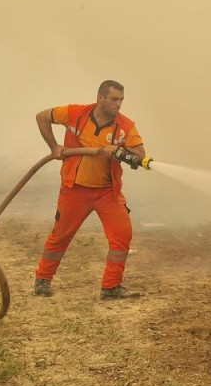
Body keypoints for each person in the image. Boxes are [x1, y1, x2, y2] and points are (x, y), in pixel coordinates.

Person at [33, 80, 148, 300]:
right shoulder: (75, 113)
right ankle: (43, 280)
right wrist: (54, 147)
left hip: (108, 192)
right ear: (100, 97)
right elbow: (41, 116)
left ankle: (111, 286)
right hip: (75, 189)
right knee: (60, 236)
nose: (119, 104)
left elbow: (141, 155)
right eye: (114, 99)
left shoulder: (125, 126)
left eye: (121, 100)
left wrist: (120, 148)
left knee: (122, 236)